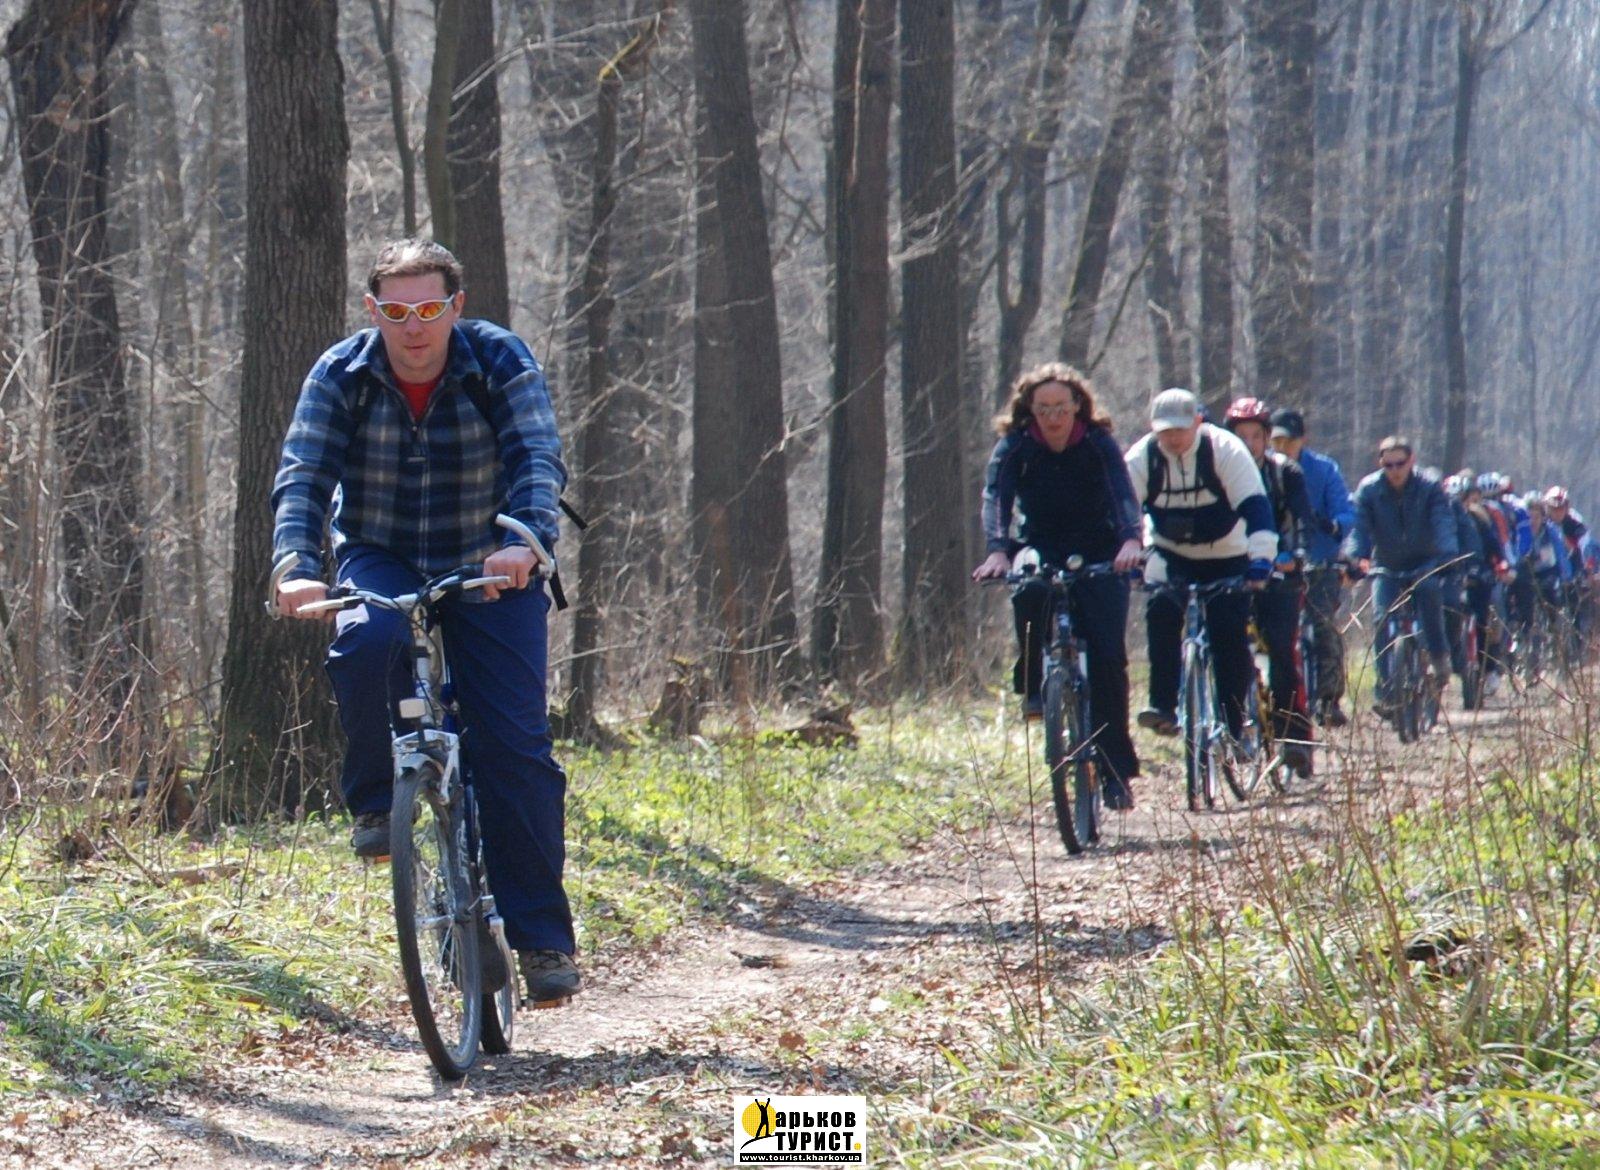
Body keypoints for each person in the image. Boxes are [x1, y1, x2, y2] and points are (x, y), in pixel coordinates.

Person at [271, 238, 581, 1006]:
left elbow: (537, 457)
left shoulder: (497, 360)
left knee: (513, 748)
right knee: (365, 642)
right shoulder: (340, 374)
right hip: (381, 554)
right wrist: (295, 566)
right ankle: (379, 803)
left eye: (431, 309)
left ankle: (541, 939)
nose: (415, 327)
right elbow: (303, 475)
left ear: (456, 307)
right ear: (373, 311)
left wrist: (525, 540)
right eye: (398, 311)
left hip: (490, 560)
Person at [976, 363, 1144, 808]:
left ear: (1077, 407)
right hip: (1041, 545)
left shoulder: (1097, 443)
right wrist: (997, 550)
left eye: (1061, 408)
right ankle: (1034, 685)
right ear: (1029, 410)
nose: (1053, 417)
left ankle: (1114, 772)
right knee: (1029, 590)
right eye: (1043, 409)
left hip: (1101, 550)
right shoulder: (1016, 446)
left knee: (1107, 660)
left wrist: (1131, 540)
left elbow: (1122, 494)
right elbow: (996, 497)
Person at [1125, 388, 1279, 746]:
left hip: (1229, 555)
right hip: (1170, 554)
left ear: (1197, 422)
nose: (1173, 438)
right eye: (1165, 431)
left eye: (1180, 429)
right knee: (1161, 610)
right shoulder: (1141, 458)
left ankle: (1233, 727)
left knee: (1228, 636)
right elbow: (1123, 514)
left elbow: (1257, 510)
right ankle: (1163, 706)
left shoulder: (1225, 450)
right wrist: (1130, 556)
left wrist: (1261, 560)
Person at [1222, 398, 1314, 776]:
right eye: (1240, 436)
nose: (1248, 444)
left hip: (1279, 573)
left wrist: (1296, 555)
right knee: (1226, 647)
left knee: (1281, 648)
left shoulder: (1285, 473)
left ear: (1265, 438)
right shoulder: (1217, 472)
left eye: (1255, 436)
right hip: (1232, 571)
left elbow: (1303, 521)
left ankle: (1294, 738)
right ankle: (1230, 726)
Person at [1345, 437, 1458, 715]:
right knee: (1381, 617)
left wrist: (1448, 554)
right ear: (1380, 463)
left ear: (1412, 461)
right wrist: (1356, 557)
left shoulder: (1429, 487)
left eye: (1400, 463)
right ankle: (1386, 691)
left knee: (1430, 595)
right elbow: (1359, 528)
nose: (1395, 470)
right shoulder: (1369, 490)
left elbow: (1442, 520)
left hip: (1424, 563)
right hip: (1387, 566)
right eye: (1388, 465)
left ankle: (1438, 658)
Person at [1270, 409, 1356, 726]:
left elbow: (1346, 513)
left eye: (1289, 441)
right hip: (1278, 564)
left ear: (1303, 439)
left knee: (1322, 625)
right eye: (1277, 440)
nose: (1283, 447)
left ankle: (1329, 699)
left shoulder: (1324, 469)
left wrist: (1334, 526)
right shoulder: (1264, 468)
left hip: (1321, 562)